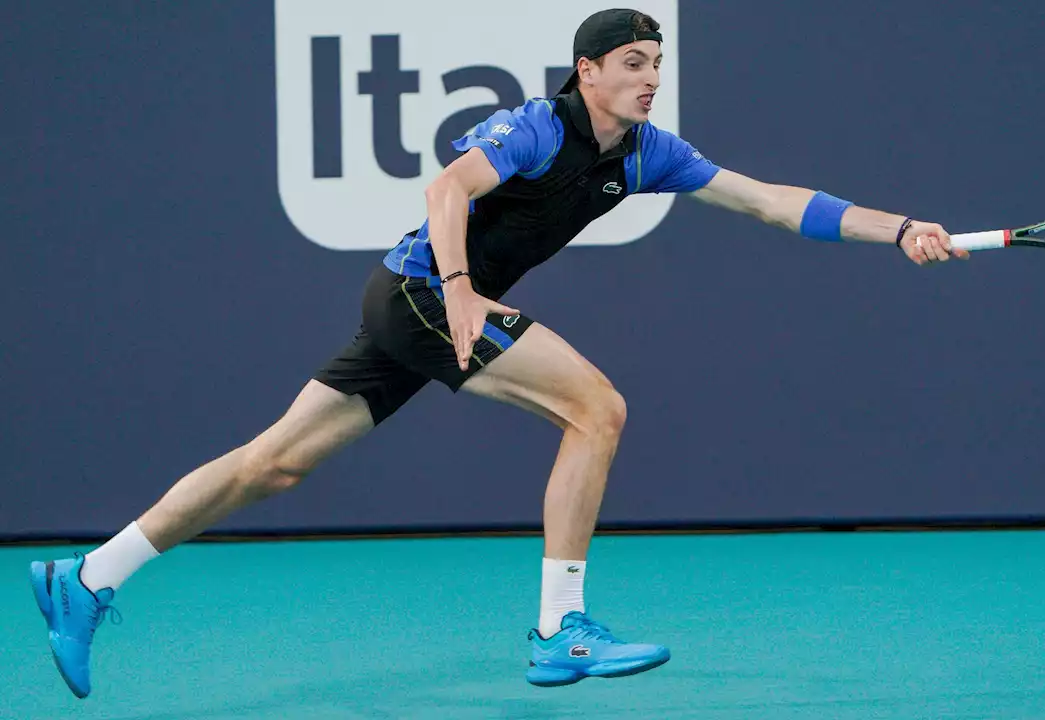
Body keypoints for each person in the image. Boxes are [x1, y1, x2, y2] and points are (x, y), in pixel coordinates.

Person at [29, 8, 968, 697]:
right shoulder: (535, 124)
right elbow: (447, 190)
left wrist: (898, 229)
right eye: (633, 64)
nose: (650, 79)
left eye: (658, 64)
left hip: (424, 308)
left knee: (272, 465)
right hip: (424, 295)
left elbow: (773, 199)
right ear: (586, 70)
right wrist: (464, 290)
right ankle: (561, 629)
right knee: (597, 409)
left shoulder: (646, 153)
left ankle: (89, 577)